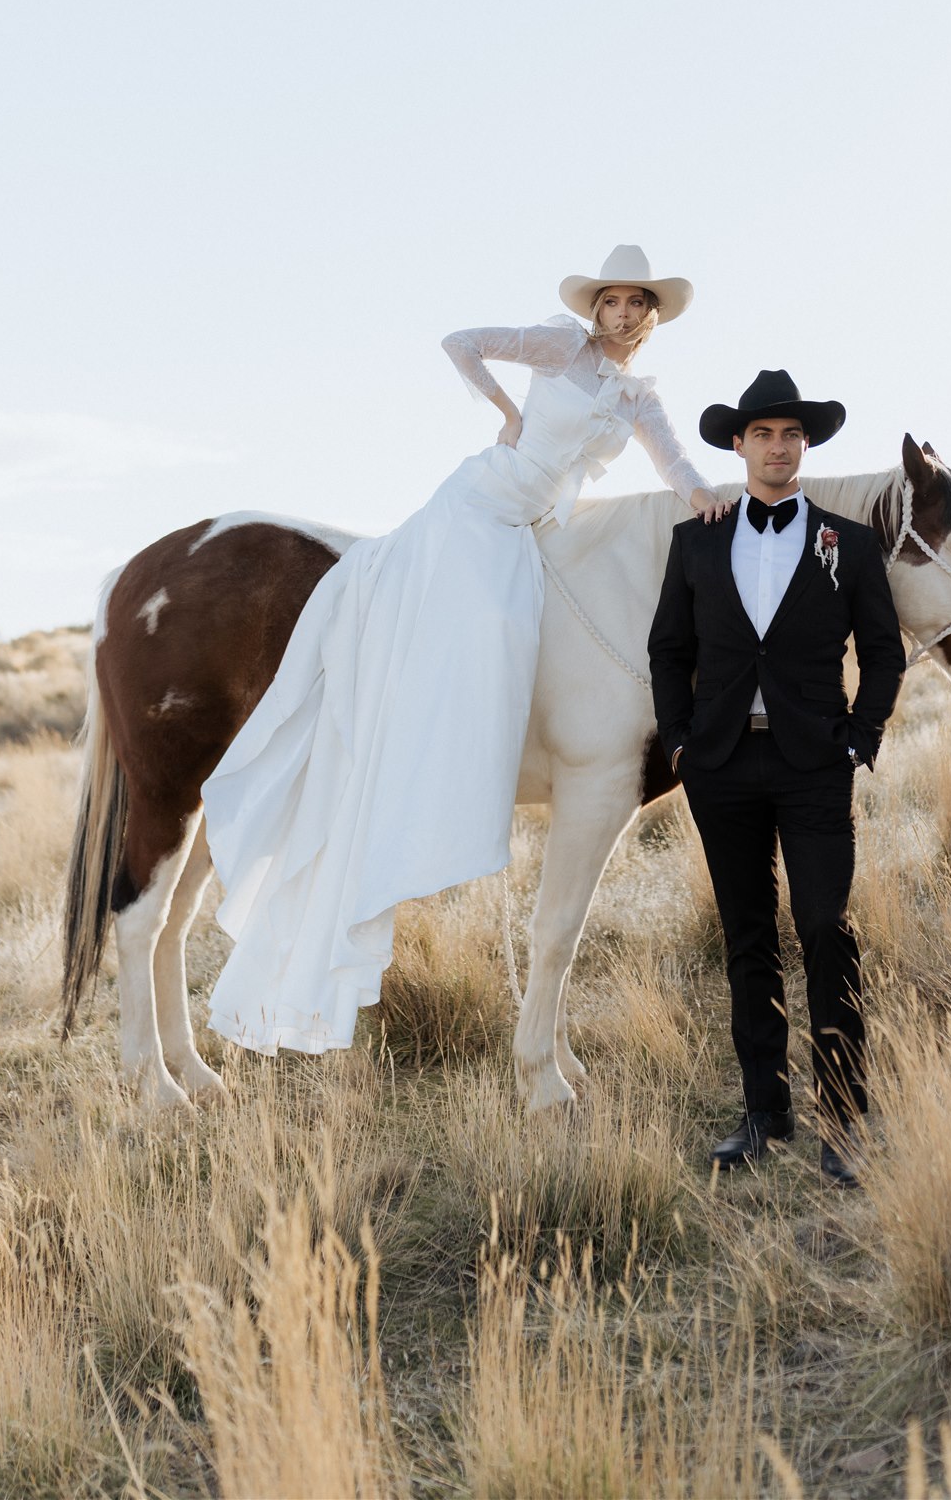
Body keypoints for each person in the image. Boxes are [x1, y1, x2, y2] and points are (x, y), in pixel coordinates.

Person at [200, 245, 724, 1055]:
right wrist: (506, 417)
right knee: (485, 618)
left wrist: (707, 501)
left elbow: (677, 462)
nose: (621, 313)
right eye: (611, 300)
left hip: (537, 525)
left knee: (532, 622)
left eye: (636, 303)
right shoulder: (560, 347)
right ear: (596, 309)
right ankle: (423, 727)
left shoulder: (637, 396)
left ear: (651, 317)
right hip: (483, 505)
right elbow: (460, 341)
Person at [647, 370, 905, 1185]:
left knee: (827, 929)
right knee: (747, 939)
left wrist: (858, 741)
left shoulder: (847, 544)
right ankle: (764, 1114)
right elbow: (668, 651)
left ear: (806, 445)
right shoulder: (697, 541)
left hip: (814, 767)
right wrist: (682, 746)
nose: (778, 447)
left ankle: (844, 1123)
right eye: (763, 434)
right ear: (738, 444)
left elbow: (884, 652)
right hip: (720, 765)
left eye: (791, 434)